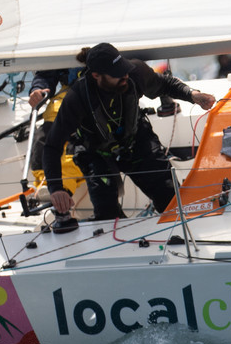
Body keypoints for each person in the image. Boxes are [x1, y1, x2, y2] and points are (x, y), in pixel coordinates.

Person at [43, 43, 216, 220]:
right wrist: (56, 189)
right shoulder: (77, 97)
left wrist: (193, 95)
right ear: (96, 76)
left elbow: (165, 84)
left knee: (171, 200)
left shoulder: (133, 73)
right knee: (107, 216)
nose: (124, 75)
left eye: (123, 68)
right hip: (97, 153)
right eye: (116, 73)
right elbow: (52, 146)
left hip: (135, 141)